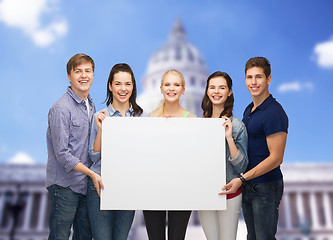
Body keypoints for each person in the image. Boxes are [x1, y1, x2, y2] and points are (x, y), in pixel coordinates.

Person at [220, 57, 288, 239]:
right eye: (249, 77)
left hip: (265, 186)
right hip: (250, 185)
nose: (253, 82)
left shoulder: (274, 112)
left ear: (269, 79)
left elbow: (276, 158)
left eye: (259, 77)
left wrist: (242, 178)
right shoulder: (249, 110)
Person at [46, 53, 103, 240]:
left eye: (88, 71)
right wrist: (92, 173)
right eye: (78, 71)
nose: (84, 75)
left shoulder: (91, 105)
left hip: (84, 186)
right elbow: (62, 154)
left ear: (93, 75)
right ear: (69, 77)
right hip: (64, 186)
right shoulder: (61, 109)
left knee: (84, 236)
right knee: (59, 237)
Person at [87, 63, 144, 240]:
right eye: (118, 83)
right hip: (100, 186)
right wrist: (102, 129)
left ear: (133, 86)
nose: (123, 88)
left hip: (128, 187)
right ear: (110, 86)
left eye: (127, 84)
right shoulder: (99, 116)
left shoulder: (142, 117)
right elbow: (94, 157)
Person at [143, 69, 195, 240]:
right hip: (152, 187)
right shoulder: (150, 119)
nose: (171, 88)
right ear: (160, 88)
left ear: (183, 89)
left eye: (176, 84)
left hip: (181, 188)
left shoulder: (193, 120)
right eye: (167, 84)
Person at [198, 71, 248, 240]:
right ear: (207, 91)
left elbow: (242, 167)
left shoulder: (237, 126)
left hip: (230, 193)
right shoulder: (198, 125)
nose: (216, 92)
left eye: (222, 88)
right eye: (212, 87)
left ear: (230, 91)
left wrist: (229, 137)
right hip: (205, 192)